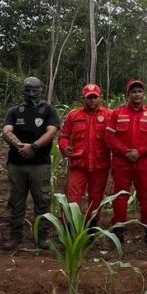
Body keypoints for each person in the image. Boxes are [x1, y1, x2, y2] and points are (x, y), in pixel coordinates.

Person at [1, 77, 61, 251]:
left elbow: (52, 131)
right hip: (17, 163)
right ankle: (15, 236)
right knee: (16, 201)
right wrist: (19, 145)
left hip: (39, 164)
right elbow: (6, 130)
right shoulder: (14, 111)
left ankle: (43, 237)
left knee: (42, 200)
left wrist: (33, 147)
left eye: (35, 90)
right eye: (27, 90)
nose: (31, 94)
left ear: (41, 90)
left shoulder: (48, 110)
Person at [105, 79, 147, 244]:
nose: (137, 94)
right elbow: (109, 136)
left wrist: (140, 151)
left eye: (139, 91)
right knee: (120, 197)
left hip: (143, 164)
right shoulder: (117, 113)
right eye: (133, 92)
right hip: (122, 163)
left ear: (143, 94)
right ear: (128, 95)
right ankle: (118, 233)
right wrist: (125, 151)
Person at [57, 83, 112, 221]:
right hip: (77, 165)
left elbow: (118, 136)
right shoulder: (73, 115)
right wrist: (65, 147)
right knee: (72, 199)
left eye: (95, 97)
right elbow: (63, 136)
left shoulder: (109, 115)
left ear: (100, 97)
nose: (92, 100)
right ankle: (70, 225)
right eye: (89, 97)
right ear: (83, 98)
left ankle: (91, 226)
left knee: (96, 199)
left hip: (100, 166)